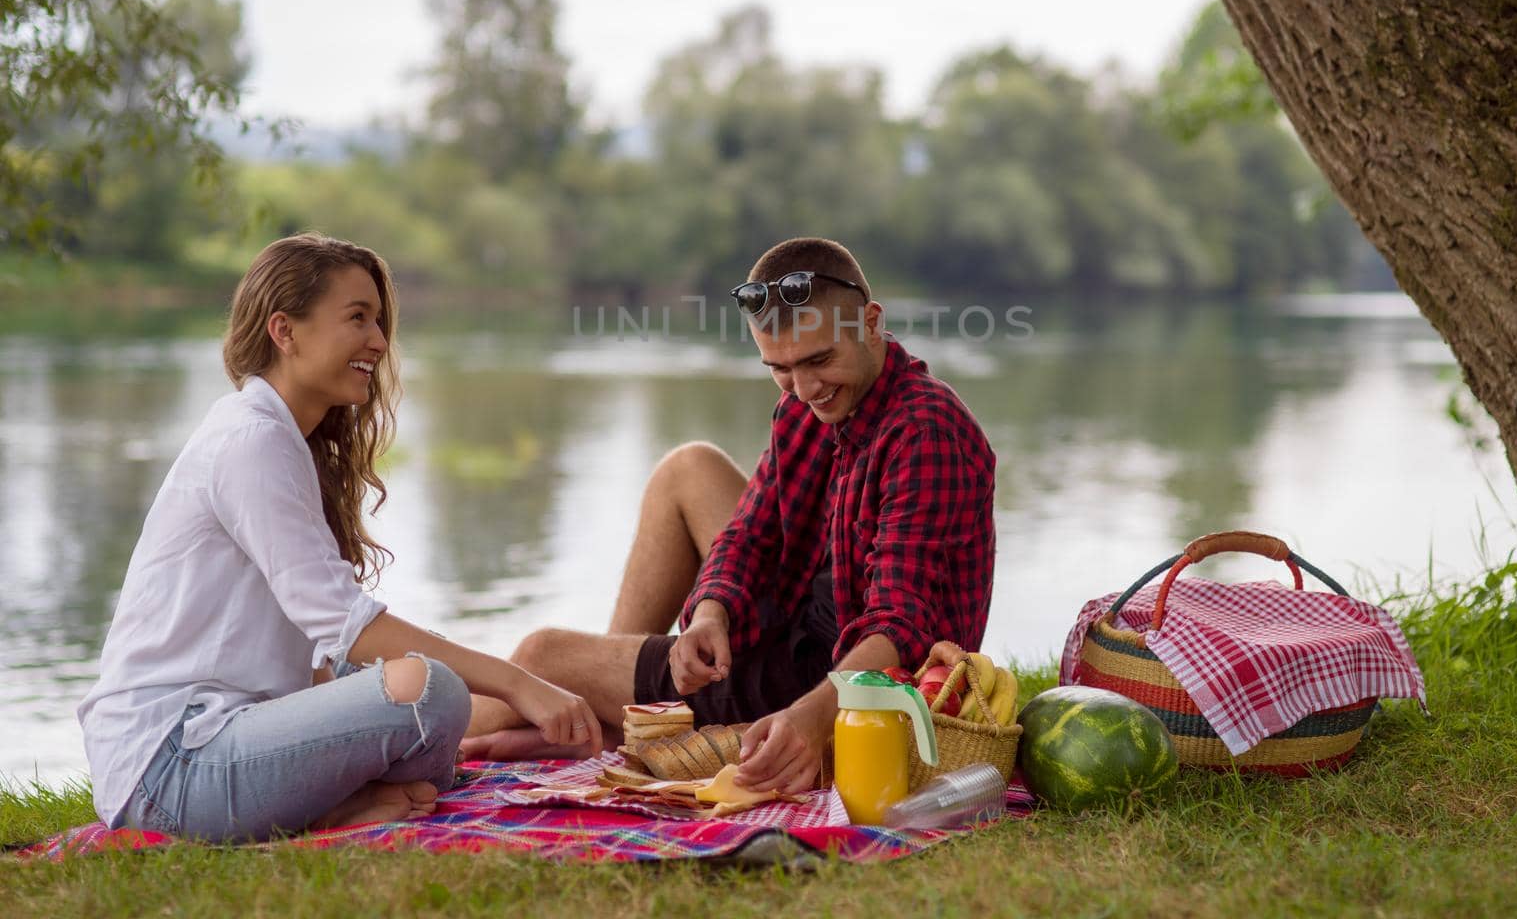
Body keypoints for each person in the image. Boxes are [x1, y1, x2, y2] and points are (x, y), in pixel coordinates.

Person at [77, 233, 600, 843]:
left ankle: (338, 804)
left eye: (378, 321)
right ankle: (333, 808)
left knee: (405, 683)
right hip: (173, 764)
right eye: (357, 318)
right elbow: (348, 623)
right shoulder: (250, 441)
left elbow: (325, 651)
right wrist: (520, 683)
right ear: (285, 331)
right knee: (431, 692)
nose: (378, 342)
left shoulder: (280, 438)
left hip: (221, 739)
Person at [463, 237, 996, 794]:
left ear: (870, 322)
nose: (806, 389)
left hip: (852, 686)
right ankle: (622, 715)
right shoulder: (808, 405)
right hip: (801, 620)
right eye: (780, 368)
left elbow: (901, 627)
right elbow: (750, 535)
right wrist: (709, 615)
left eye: (819, 360)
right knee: (688, 467)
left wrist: (811, 721)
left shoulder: (925, 430)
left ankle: (431, 737)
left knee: (541, 656)